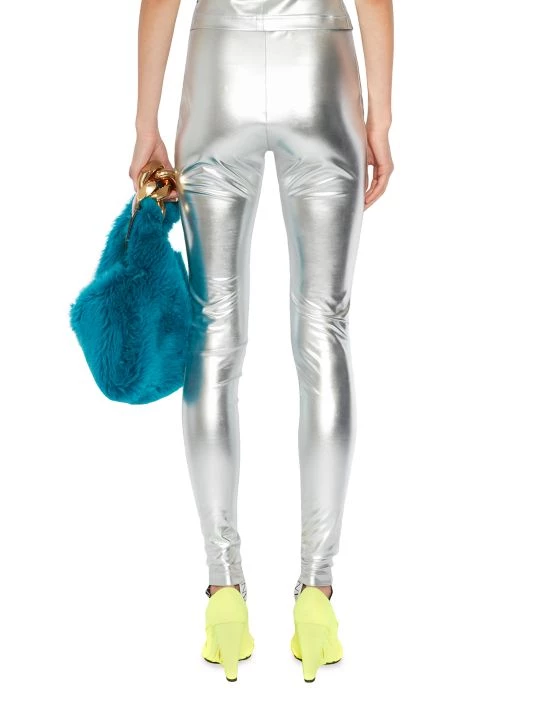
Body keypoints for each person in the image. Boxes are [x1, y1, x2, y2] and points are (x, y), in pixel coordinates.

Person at [129, 0, 394, 683]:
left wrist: (145, 123)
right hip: (322, 71)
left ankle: (224, 590)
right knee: (324, 331)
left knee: (213, 337)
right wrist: (380, 120)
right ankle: (316, 592)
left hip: (219, 73)